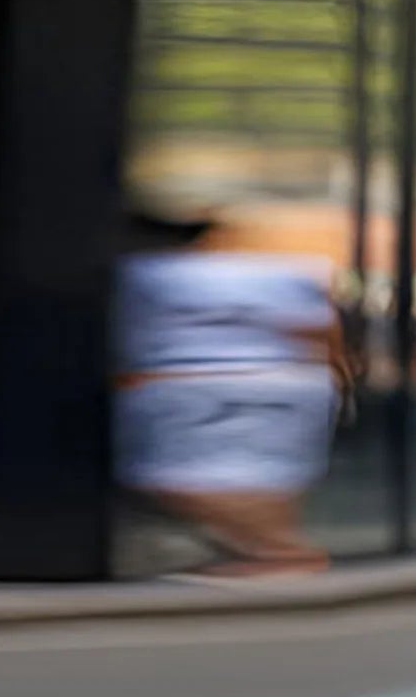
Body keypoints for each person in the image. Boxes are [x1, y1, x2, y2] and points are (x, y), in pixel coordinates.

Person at [114, 214, 346, 578]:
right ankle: (273, 550)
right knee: (263, 477)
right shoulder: (285, 276)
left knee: (176, 476)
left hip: (202, 382)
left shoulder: (159, 276)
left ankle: (276, 551)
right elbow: (318, 332)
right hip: (284, 382)